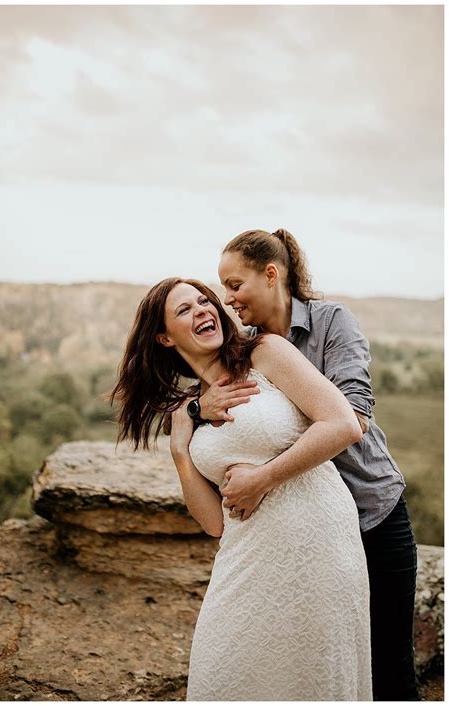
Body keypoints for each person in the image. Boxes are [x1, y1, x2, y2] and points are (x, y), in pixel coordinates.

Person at [111, 277, 372, 701]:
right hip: (245, 555)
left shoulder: (265, 353)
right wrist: (180, 449)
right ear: (162, 337)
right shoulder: (189, 409)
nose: (202, 310)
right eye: (183, 310)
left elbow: (343, 423)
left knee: (313, 674)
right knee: (223, 670)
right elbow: (214, 522)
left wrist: (263, 477)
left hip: (319, 539)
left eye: (204, 301)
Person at [190, 227, 418, 701]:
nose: (227, 299)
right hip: (306, 532)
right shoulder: (247, 346)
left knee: (389, 667)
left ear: (271, 275)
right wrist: (197, 409)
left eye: (234, 285)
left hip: (373, 511)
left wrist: (264, 475)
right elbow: (208, 394)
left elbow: (350, 415)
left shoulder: (333, 322)